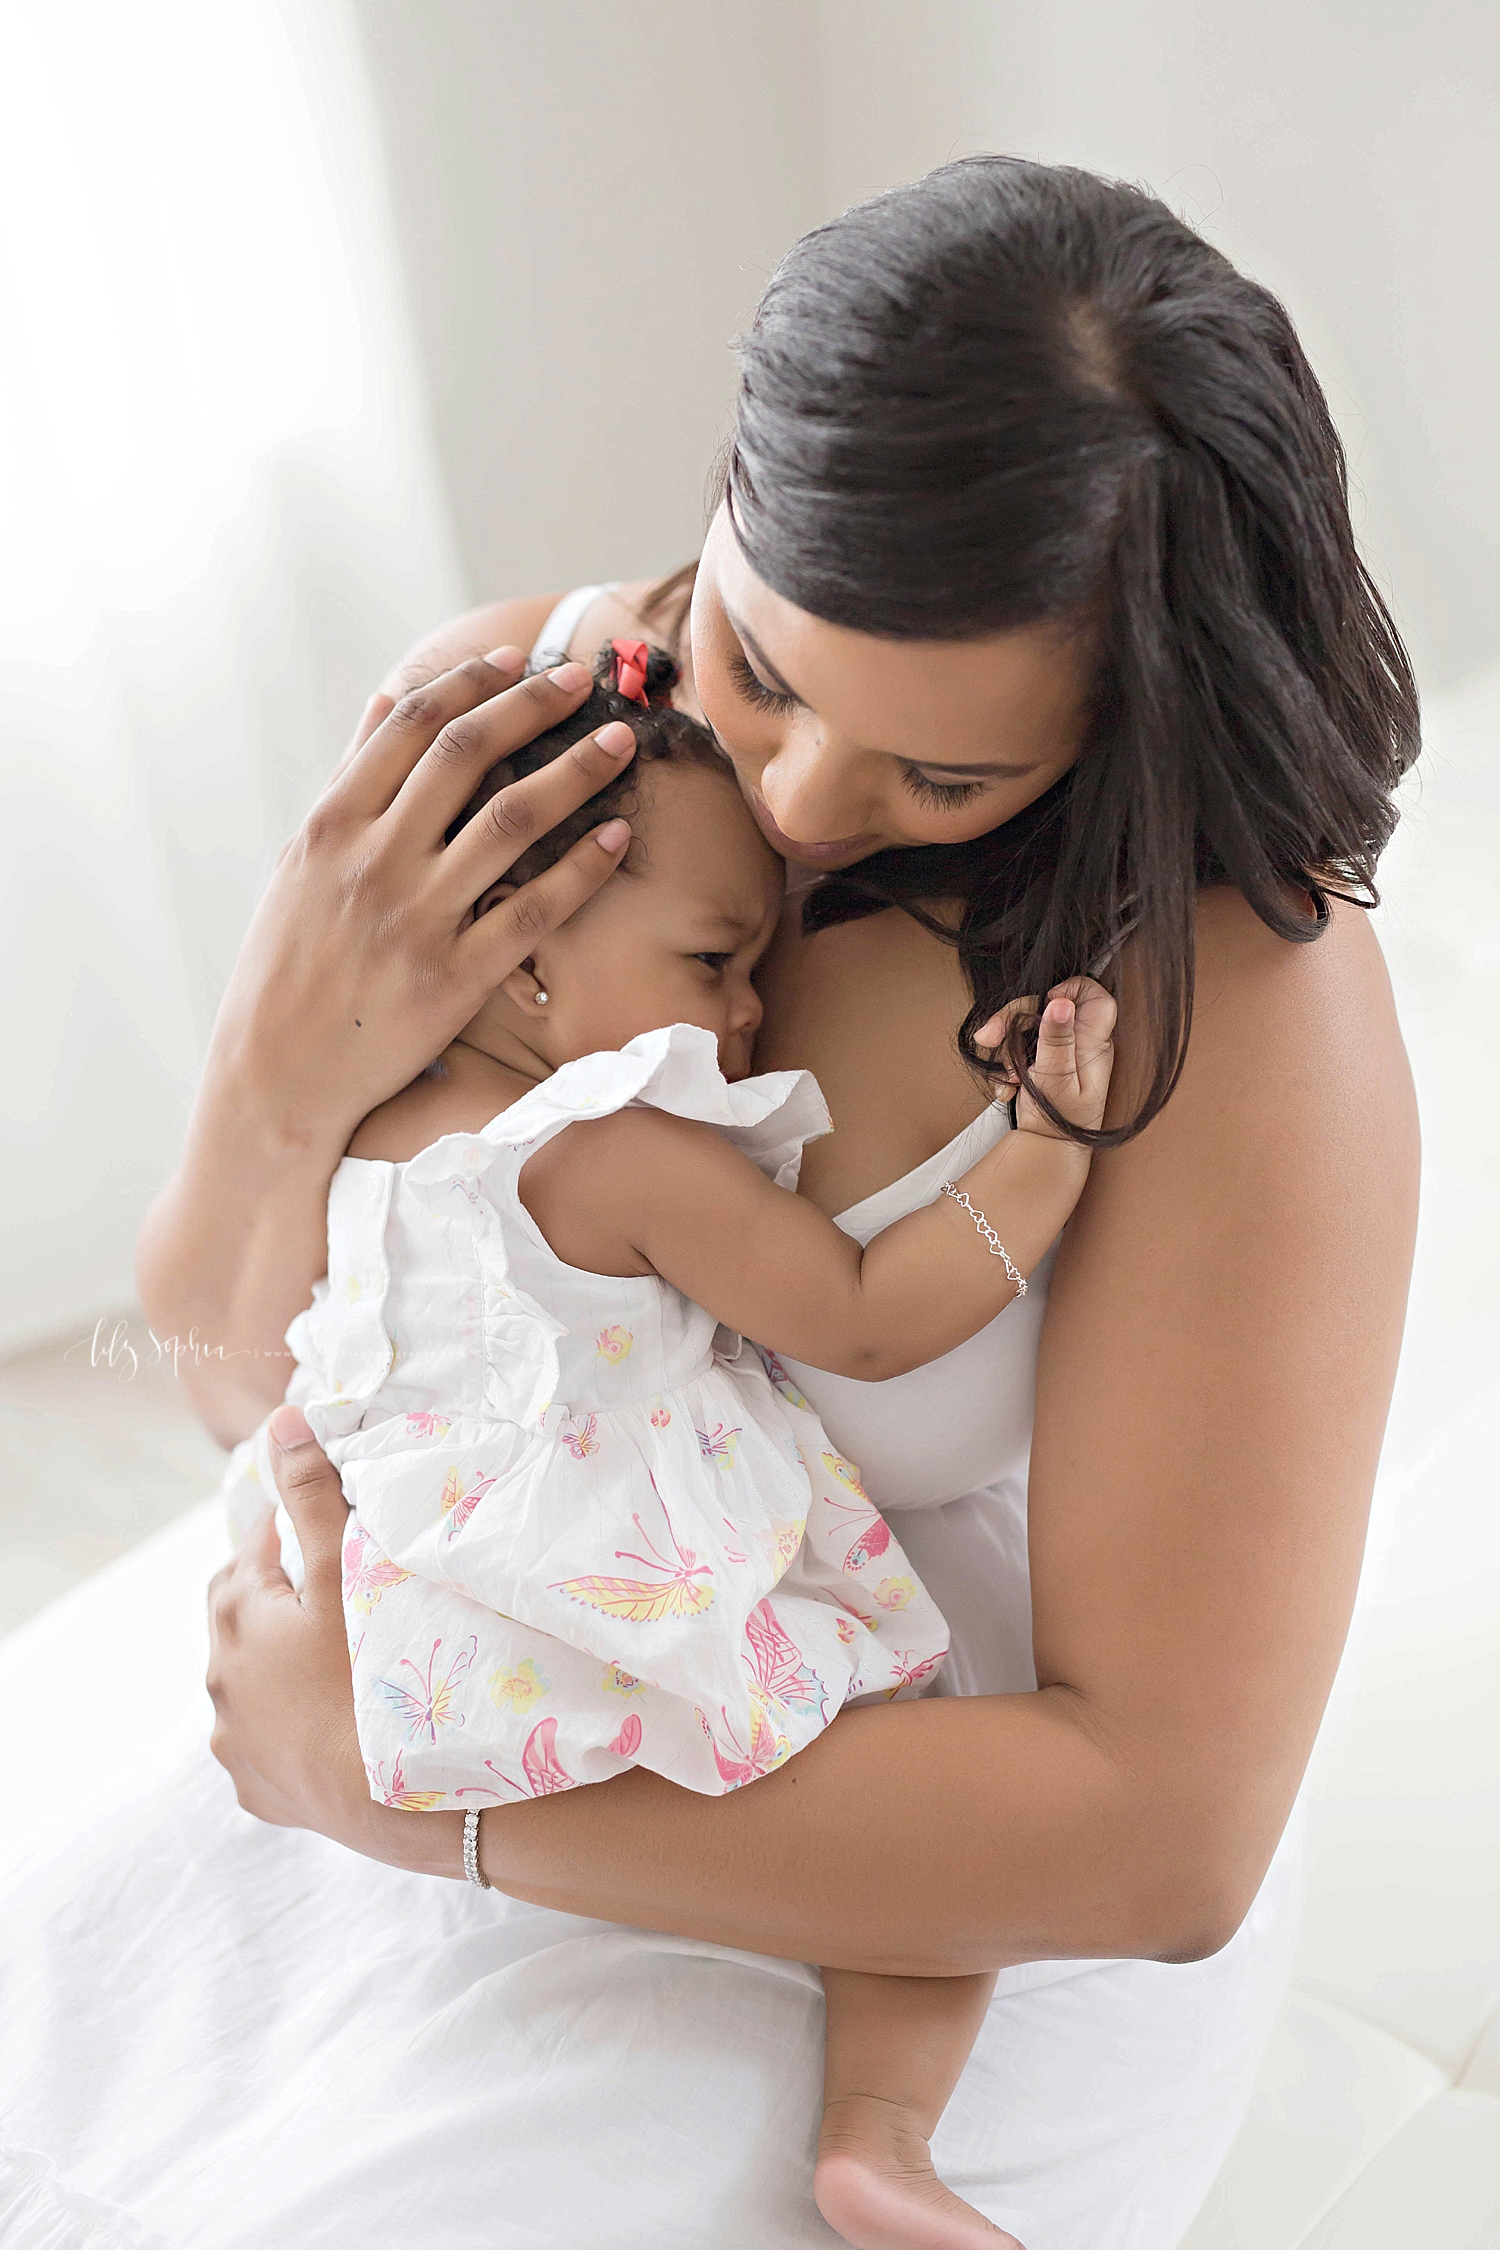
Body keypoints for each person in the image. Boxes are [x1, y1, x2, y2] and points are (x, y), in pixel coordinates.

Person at [0, 158, 1418, 2250]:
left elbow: (1165, 1842)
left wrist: (439, 1805)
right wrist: (280, 1058)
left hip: (934, 1840)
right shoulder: (526, 737)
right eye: (764, 665)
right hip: (474, 1654)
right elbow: (247, 1380)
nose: (804, 804)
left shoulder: (1227, 989)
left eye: (944, 780)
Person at [220, 635, 1113, 2250]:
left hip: (424, 1633)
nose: (757, 1008)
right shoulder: (612, 1145)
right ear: (535, 968)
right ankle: (882, 2135)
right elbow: (855, 1313)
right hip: (622, 1602)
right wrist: (1043, 1155)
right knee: (932, 1849)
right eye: (715, 960)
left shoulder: (379, 1141)